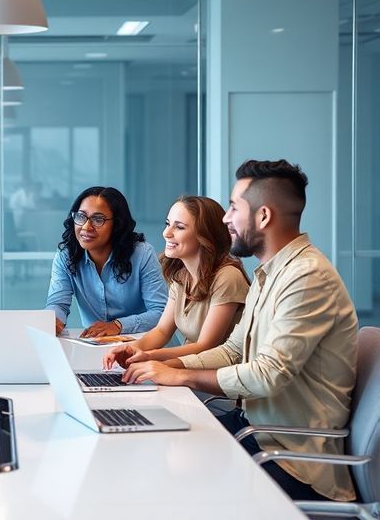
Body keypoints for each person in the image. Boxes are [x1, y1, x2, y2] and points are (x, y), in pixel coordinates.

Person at [119, 160, 358, 502]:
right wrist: (165, 365)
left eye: (233, 208)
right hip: (252, 432)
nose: (226, 218)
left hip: (290, 462)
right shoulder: (268, 274)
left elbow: (268, 375)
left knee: (170, 487)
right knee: (150, 452)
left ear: (262, 217)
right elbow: (233, 350)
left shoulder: (307, 277)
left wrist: (179, 376)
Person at [103, 196, 249, 366]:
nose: (166, 233)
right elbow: (162, 331)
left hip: (216, 381)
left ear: (205, 236)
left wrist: (150, 356)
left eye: (179, 227)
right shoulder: (181, 276)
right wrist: (131, 348)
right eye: (168, 224)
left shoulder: (228, 277)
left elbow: (206, 346)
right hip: (188, 372)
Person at [45, 186, 167, 336]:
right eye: (81, 216)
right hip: (97, 345)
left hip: (148, 345)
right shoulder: (66, 255)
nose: (86, 226)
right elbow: (58, 303)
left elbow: (161, 313)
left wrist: (118, 326)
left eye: (98, 219)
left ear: (117, 224)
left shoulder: (142, 254)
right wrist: (53, 320)